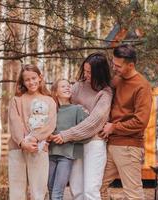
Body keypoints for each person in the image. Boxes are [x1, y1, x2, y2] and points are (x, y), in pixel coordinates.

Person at [51, 53, 113, 200]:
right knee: (77, 189)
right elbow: (62, 103)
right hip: (75, 144)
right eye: (84, 70)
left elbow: (94, 123)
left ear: (100, 72)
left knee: (90, 190)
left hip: (94, 143)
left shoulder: (105, 93)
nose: (86, 75)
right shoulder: (77, 86)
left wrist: (66, 135)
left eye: (90, 72)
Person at [100, 44, 152, 200]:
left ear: (131, 65)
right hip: (111, 144)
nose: (114, 68)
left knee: (133, 194)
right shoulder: (117, 79)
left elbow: (140, 121)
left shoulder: (142, 86)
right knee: (96, 187)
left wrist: (114, 127)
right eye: (113, 64)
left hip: (129, 146)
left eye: (118, 66)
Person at [8, 64, 57, 200]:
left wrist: (34, 139)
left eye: (34, 78)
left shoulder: (49, 101)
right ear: (23, 82)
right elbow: (14, 122)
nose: (31, 82)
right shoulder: (16, 100)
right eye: (27, 80)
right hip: (17, 148)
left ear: (40, 78)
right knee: (17, 189)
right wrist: (23, 142)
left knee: (38, 190)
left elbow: (50, 124)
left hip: (39, 148)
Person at [48, 79, 88, 200]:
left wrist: (68, 138)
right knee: (50, 188)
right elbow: (45, 129)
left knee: (57, 192)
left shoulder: (77, 109)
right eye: (63, 86)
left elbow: (84, 132)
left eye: (69, 86)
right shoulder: (51, 110)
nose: (67, 88)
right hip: (50, 154)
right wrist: (48, 136)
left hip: (66, 156)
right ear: (55, 92)